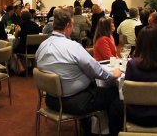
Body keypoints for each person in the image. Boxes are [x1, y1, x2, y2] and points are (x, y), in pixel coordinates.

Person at [35, 8, 121, 136]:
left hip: (51, 99)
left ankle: (88, 129)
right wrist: (112, 75)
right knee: (115, 94)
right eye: (73, 24)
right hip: (75, 102)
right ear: (68, 26)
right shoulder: (72, 46)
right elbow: (95, 69)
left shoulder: (42, 46)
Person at [113, 26, 157, 130]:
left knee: (115, 104)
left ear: (139, 42)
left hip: (137, 117)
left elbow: (127, 92)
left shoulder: (132, 64)